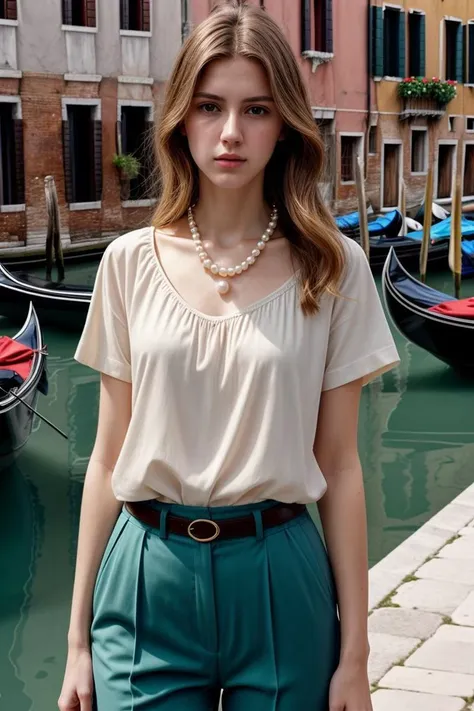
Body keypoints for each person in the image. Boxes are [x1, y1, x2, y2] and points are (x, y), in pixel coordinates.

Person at [58, 2, 399, 710]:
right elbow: (106, 457)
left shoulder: (335, 269)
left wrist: (357, 655)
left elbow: (340, 466)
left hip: (282, 576)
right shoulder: (128, 263)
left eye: (258, 109)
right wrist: (76, 642)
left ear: (287, 125)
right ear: (183, 118)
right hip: (146, 576)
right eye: (211, 107)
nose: (232, 133)